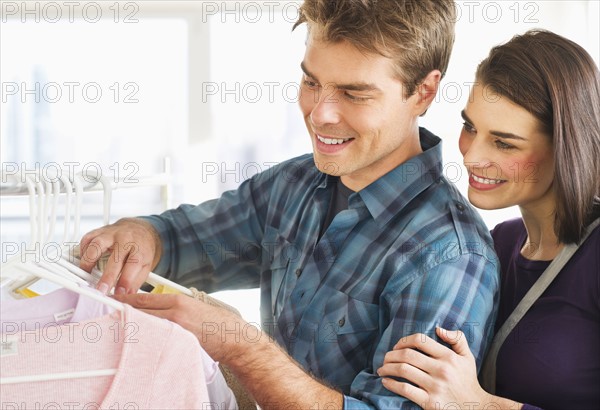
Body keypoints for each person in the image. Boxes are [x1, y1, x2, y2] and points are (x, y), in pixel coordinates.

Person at [79, 1, 500, 408]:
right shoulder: (294, 183)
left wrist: (242, 349)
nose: (319, 115)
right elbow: (187, 240)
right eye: (312, 82)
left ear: (424, 92)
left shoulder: (450, 256)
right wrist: (144, 235)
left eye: (354, 94)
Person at [378, 29, 600, 410]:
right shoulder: (497, 243)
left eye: (504, 143)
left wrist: (479, 405)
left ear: (567, 146)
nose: (471, 156)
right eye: (470, 127)